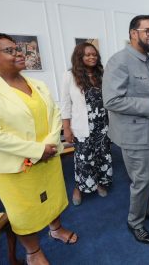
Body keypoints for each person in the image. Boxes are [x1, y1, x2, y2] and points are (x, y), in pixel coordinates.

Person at [0, 30, 78, 265]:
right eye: (10, 50)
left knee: (53, 197)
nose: (19, 53)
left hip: (47, 158)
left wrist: (48, 146)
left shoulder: (37, 84)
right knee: (24, 211)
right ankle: (33, 251)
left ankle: (56, 228)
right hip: (13, 166)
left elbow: (54, 114)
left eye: (18, 48)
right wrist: (36, 151)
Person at [102, 15, 149, 245]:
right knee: (141, 180)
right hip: (134, 136)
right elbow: (112, 101)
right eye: (148, 31)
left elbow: (147, 93)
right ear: (134, 33)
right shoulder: (119, 61)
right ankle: (135, 222)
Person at [61, 42, 112, 206]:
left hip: (102, 125)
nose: (92, 57)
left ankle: (97, 183)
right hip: (82, 126)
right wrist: (66, 128)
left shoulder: (101, 75)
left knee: (100, 157)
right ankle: (78, 187)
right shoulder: (70, 76)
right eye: (88, 55)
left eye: (94, 54)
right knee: (83, 160)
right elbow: (65, 104)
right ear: (79, 57)